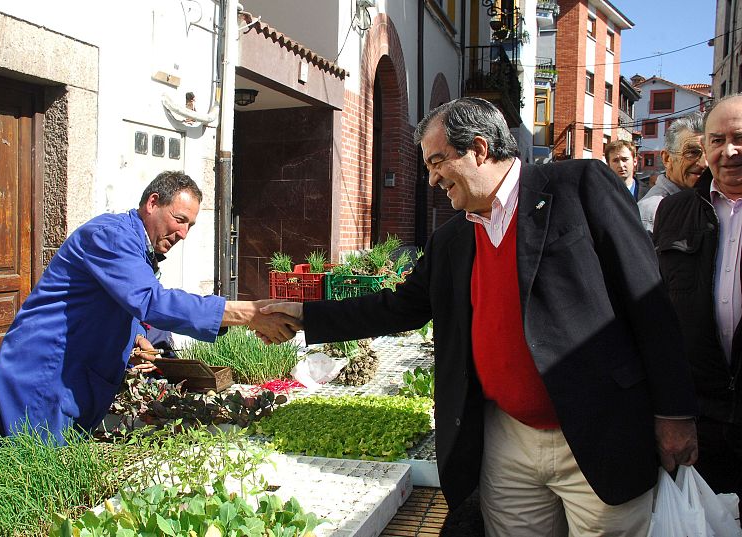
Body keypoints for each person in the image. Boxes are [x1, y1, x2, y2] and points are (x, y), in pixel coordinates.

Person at [263, 98, 698, 536]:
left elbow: (649, 300)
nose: (431, 179)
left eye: (437, 162)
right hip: (506, 440)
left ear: (479, 148)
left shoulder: (578, 186)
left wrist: (675, 412)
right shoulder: (452, 239)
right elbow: (399, 306)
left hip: (597, 430)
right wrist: (305, 314)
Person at [0, 171, 298, 444]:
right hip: (41, 376)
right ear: (152, 203)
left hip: (69, 380)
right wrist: (248, 313)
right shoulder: (110, 236)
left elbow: (117, 302)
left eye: (191, 226)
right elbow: (150, 301)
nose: (184, 234)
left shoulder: (137, 248)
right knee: (23, 489)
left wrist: (136, 338)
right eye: (180, 219)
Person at [652, 93, 742, 501]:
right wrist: (670, 413)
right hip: (699, 419)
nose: (729, 151)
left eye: (739, 138)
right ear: (705, 148)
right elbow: (656, 315)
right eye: (718, 140)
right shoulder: (674, 213)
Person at [637, 112, 707, 232]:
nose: (704, 163)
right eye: (692, 153)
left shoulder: (710, 201)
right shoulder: (651, 212)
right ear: (667, 158)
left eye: (709, 153)